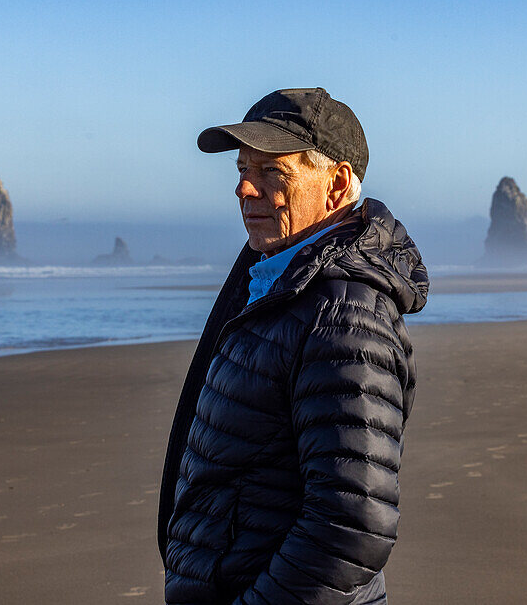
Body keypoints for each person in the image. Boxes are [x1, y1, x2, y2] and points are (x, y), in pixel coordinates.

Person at [158, 87, 429, 604]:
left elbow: (350, 526)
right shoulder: (277, 286)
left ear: (337, 185)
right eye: (242, 169)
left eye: (271, 173)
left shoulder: (344, 317)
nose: (243, 188)